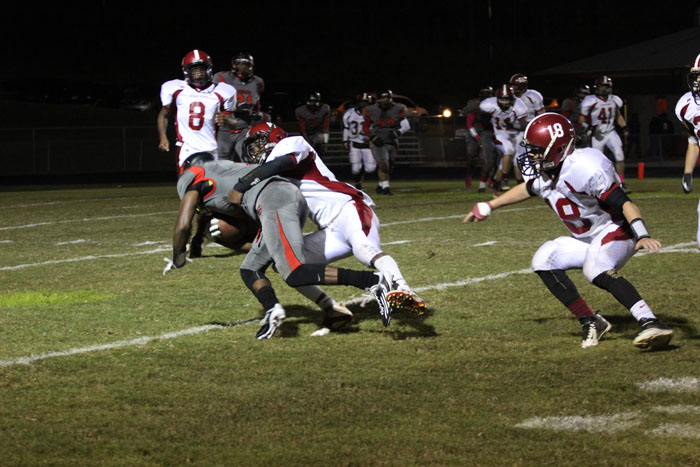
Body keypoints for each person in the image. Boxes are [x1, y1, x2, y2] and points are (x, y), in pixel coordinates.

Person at [463, 112, 673, 350]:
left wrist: (642, 234)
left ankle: (650, 322)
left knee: (596, 268)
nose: (531, 156)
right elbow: (527, 189)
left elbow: (624, 203)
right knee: (544, 259)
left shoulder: (584, 167)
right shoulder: (548, 172)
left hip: (617, 231)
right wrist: (489, 206)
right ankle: (591, 321)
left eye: (537, 150)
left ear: (559, 149)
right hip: (587, 237)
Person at [164, 153, 397, 338]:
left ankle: (374, 281)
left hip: (274, 199)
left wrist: (178, 256)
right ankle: (274, 309)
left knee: (294, 272)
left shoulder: (194, 176)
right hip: (276, 199)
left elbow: (183, 225)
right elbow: (259, 237)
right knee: (250, 268)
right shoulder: (227, 171)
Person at [228, 122, 425, 316]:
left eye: (258, 143)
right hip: (330, 229)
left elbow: (280, 164)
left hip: (348, 207)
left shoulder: (292, 144)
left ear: (274, 137)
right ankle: (331, 308)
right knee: (289, 266)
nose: (255, 151)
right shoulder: (272, 177)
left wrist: (242, 185)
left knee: (365, 250)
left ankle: (405, 290)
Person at [157, 49, 237, 258]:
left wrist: (226, 120)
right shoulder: (175, 89)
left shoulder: (223, 91)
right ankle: (194, 239)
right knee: (192, 198)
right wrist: (163, 137)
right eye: (195, 70)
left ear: (209, 71)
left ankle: (197, 239)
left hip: (211, 151)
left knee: (206, 199)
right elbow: (163, 114)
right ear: (187, 72)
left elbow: (233, 119)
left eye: (202, 70)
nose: (199, 74)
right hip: (186, 151)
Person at [578, 75, 631, 193]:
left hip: (611, 132)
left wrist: (624, 126)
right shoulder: (590, 100)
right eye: (603, 86)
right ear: (597, 87)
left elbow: (618, 115)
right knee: (598, 161)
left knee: (620, 156)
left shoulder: (615, 99)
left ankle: (621, 183)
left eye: (607, 87)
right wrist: (589, 127)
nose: (605, 89)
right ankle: (599, 184)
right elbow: (581, 120)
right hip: (597, 135)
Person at [213, 52, 267, 161]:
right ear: (235, 65)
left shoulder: (257, 82)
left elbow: (256, 103)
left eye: (248, 65)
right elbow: (213, 99)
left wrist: (256, 113)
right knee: (221, 162)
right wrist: (234, 108)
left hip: (244, 128)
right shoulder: (222, 78)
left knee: (249, 159)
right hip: (224, 129)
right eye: (243, 64)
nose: (246, 67)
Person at [479, 84, 528, 193]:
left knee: (517, 159)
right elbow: (481, 113)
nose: (504, 102)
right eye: (502, 99)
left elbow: (524, 126)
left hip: (517, 133)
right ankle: (505, 179)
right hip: (500, 134)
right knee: (508, 150)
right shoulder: (488, 104)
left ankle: (512, 184)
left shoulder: (519, 105)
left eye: (507, 100)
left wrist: (510, 125)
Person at [362, 89, 411, 196]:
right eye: (383, 98)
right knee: (383, 163)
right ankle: (386, 188)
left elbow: (406, 125)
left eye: (387, 98)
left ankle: (381, 185)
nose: (385, 100)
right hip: (378, 140)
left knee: (390, 164)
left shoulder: (398, 108)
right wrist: (372, 137)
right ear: (378, 100)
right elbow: (365, 127)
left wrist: (398, 132)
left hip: (392, 140)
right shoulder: (370, 110)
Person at [674, 52, 700, 250]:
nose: (697, 79)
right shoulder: (685, 105)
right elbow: (694, 140)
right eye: (696, 74)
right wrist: (688, 173)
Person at [509, 74, 545, 185]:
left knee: (535, 155)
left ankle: (535, 179)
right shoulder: (509, 96)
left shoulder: (533, 95)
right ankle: (519, 182)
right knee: (516, 157)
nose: (512, 88)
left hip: (530, 128)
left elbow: (541, 114)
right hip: (513, 129)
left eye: (514, 86)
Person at [462, 86, 497, 192]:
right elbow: (469, 124)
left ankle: (489, 178)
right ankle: (469, 174)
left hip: (486, 131)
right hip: (473, 130)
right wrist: (477, 138)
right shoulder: (475, 105)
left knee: (488, 155)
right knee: (472, 154)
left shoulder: (495, 105)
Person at [342, 93, 376, 190]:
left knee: (370, 169)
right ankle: (358, 183)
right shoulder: (349, 113)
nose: (363, 105)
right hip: (355, 143)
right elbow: (346, 128)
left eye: (366, 103)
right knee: (355, 170)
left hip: (368, 144)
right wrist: (345, 140)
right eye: (362, 102)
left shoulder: (373, 113)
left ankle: (361, 174)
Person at [295, 92, 330, 157]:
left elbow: (326, 127)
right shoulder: (301, 111)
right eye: (310, 101)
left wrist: (325, 144)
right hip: (306, 134)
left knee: (319, 138)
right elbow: (303, 130)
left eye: (314, 101)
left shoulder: (324, 109)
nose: (312, 104)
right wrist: (309, 143)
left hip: (317, 133)